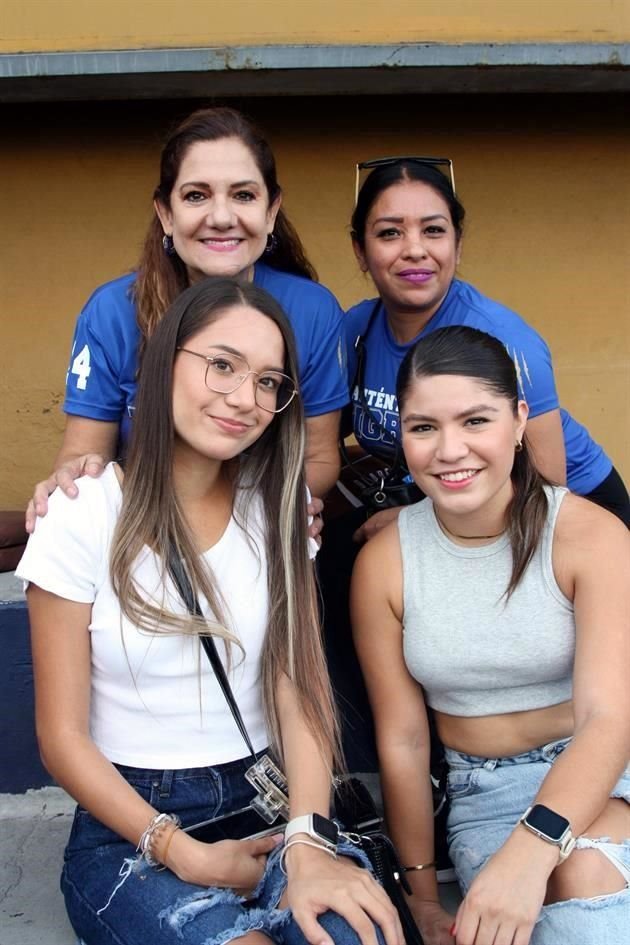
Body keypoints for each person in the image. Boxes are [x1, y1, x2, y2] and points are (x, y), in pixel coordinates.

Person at [16, 277, 401, 945]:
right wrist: (183, 852)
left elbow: (299, 687)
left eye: (267, 381)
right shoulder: (80, 514)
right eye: (221, 364)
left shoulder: (275, 509)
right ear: (164, 362)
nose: (243, 397)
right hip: (132, 829)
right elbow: (62, 739)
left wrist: (309, 840)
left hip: (271, 800)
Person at [351, 325, 630, 945]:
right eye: (424, 427)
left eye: (476, 421)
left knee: (586, 877)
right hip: (486, 792)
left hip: (604, 769)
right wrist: (421, 894)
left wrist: (534, 848)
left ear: (520, 419)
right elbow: (402, 739)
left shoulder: (590, 535)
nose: (450, 450)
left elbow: (609, 717)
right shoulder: (387, 561)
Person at [26, 106, 348, 530]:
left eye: (244, 195)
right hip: (143, 527)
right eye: (196, 195)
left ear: (271, 212)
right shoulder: (112, 310)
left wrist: (258, 510)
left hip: (260, 530)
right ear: (165, 212)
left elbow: (320, 458)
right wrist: (72, 485)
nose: (220, 217)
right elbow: (85, 454)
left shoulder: (313, 311)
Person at [345, 157, 630, 541]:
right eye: (390, 233)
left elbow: (545, 493)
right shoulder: (356, 331)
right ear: (360, 250)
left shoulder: (504, 339)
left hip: (566, 515)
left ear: (457, 245)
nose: (414, 249)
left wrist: (409, 519)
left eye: (433, 230)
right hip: (443, 499)